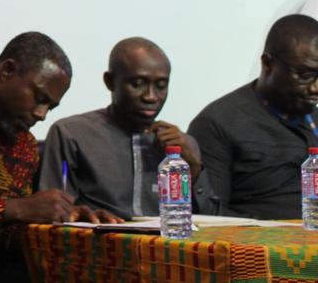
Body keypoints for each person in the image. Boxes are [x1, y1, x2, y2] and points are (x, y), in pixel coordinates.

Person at [0, 32, 119, 282]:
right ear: (6, 71)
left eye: (50, 106)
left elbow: (1, 240)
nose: (42, 114)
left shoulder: (23, 145)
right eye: (40, 99)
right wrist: (16, 209)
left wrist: (69, 222)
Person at [38, 37, 219, 218]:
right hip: (100, 234)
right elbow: (53, 213)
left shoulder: (181, 146)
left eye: (161, 86)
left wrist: (194, 169)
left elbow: (211, 221)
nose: (150, 96)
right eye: (137, 84)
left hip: (164, 236)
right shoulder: (71, 134)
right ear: (110, 81)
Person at [189, 14, 318, 218]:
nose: (315, 88)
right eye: (305, 76)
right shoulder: (217, 123)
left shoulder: (313, 117)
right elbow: (210, 218)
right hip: (257, 236)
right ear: (268, 63)